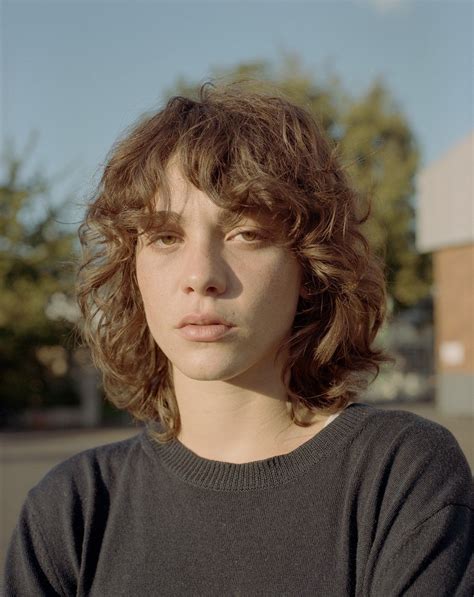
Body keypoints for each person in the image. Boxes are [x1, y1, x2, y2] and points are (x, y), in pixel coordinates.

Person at [5, 81, 473, 596]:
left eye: (247, 233)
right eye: (165, 237)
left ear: (311, 265)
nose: (201, 275)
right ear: (130, 269)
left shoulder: (398, 475)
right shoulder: (72, 510)